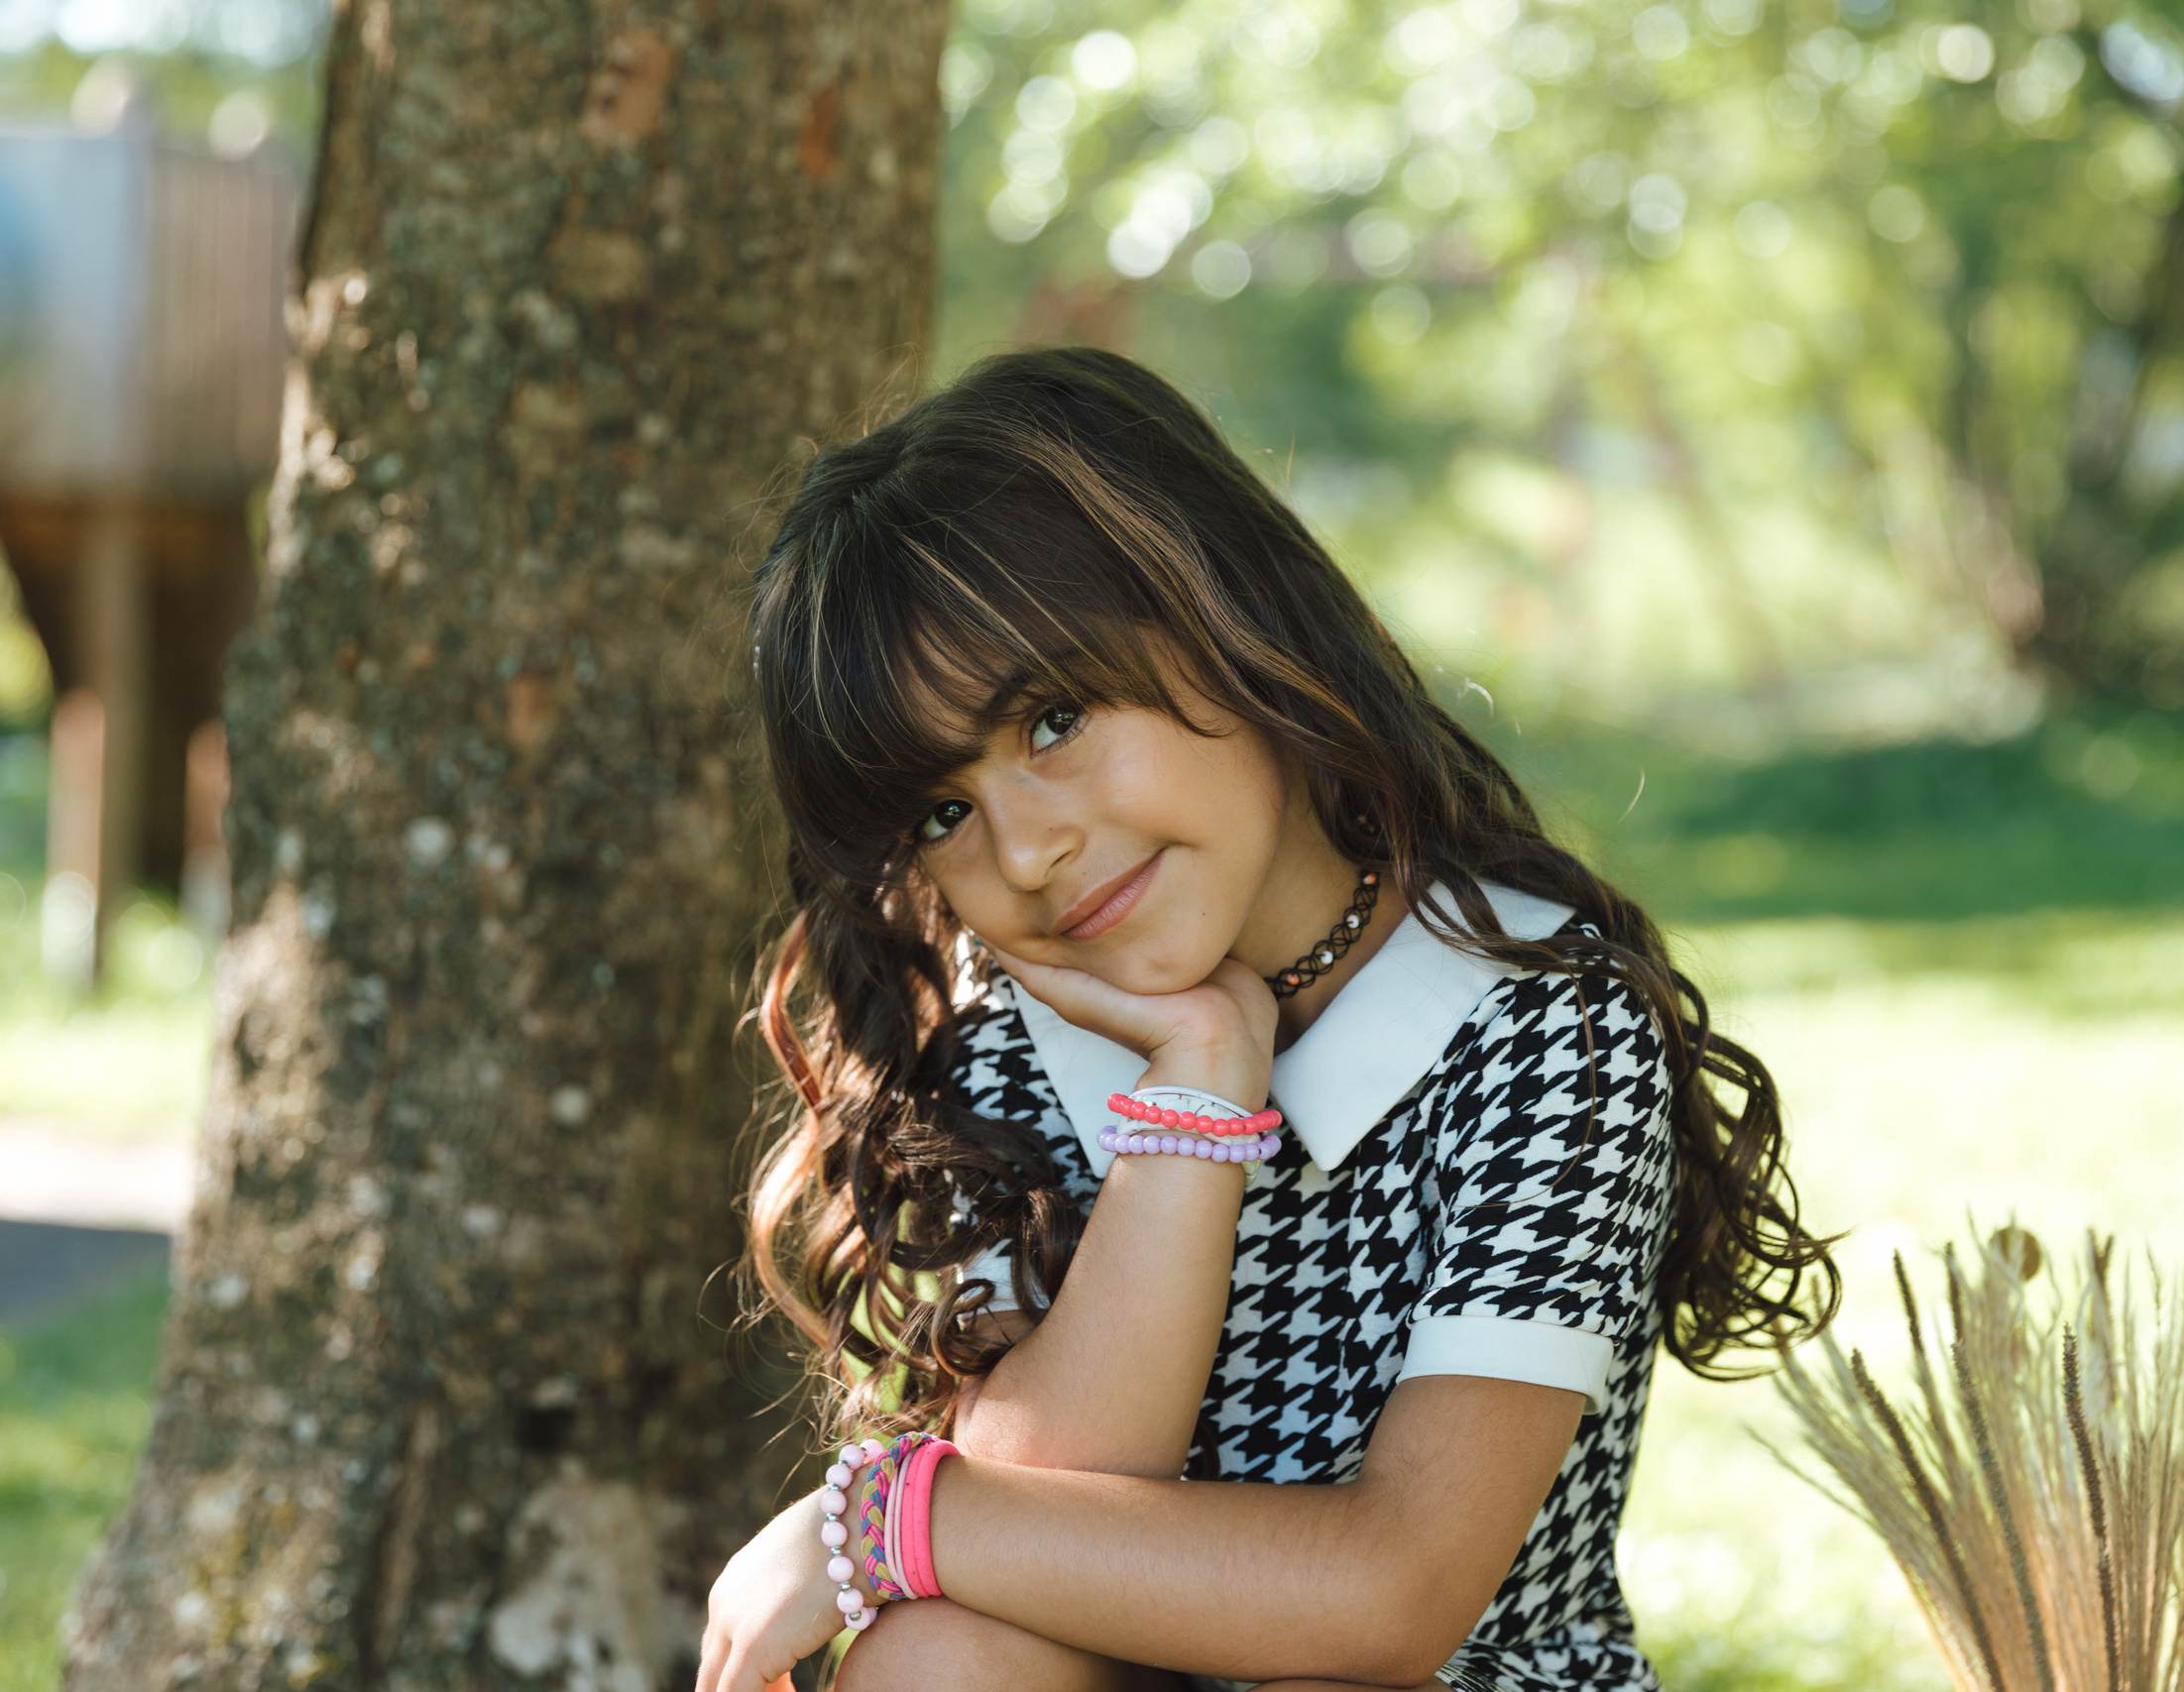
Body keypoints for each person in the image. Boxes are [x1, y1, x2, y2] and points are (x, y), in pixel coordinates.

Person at [697, 346, 1838, 1692]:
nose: (1029, 846)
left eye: (1055, 718)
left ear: (1227, 616)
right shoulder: (1006, 1049)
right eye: (945, 811)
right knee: (940, 1654)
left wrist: (880, 1519)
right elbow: (1043, 1506)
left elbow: (1393, 1597)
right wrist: (1196, 1093)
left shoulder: (1544, 1032)